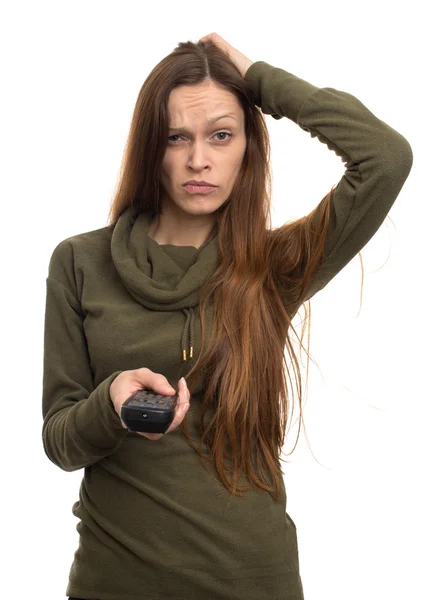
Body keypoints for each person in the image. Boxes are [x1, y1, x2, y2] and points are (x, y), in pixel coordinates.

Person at [42, 32, 413, 600]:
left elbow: (385, 158)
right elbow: (60, 440)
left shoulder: (273, 266)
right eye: (176, 137)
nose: (199, 160)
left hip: (252, 580)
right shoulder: (79, 261)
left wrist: (259, 79)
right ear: (150, 148)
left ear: (248, 145)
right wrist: (111, 398)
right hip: (113, 582)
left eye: (221, 135)